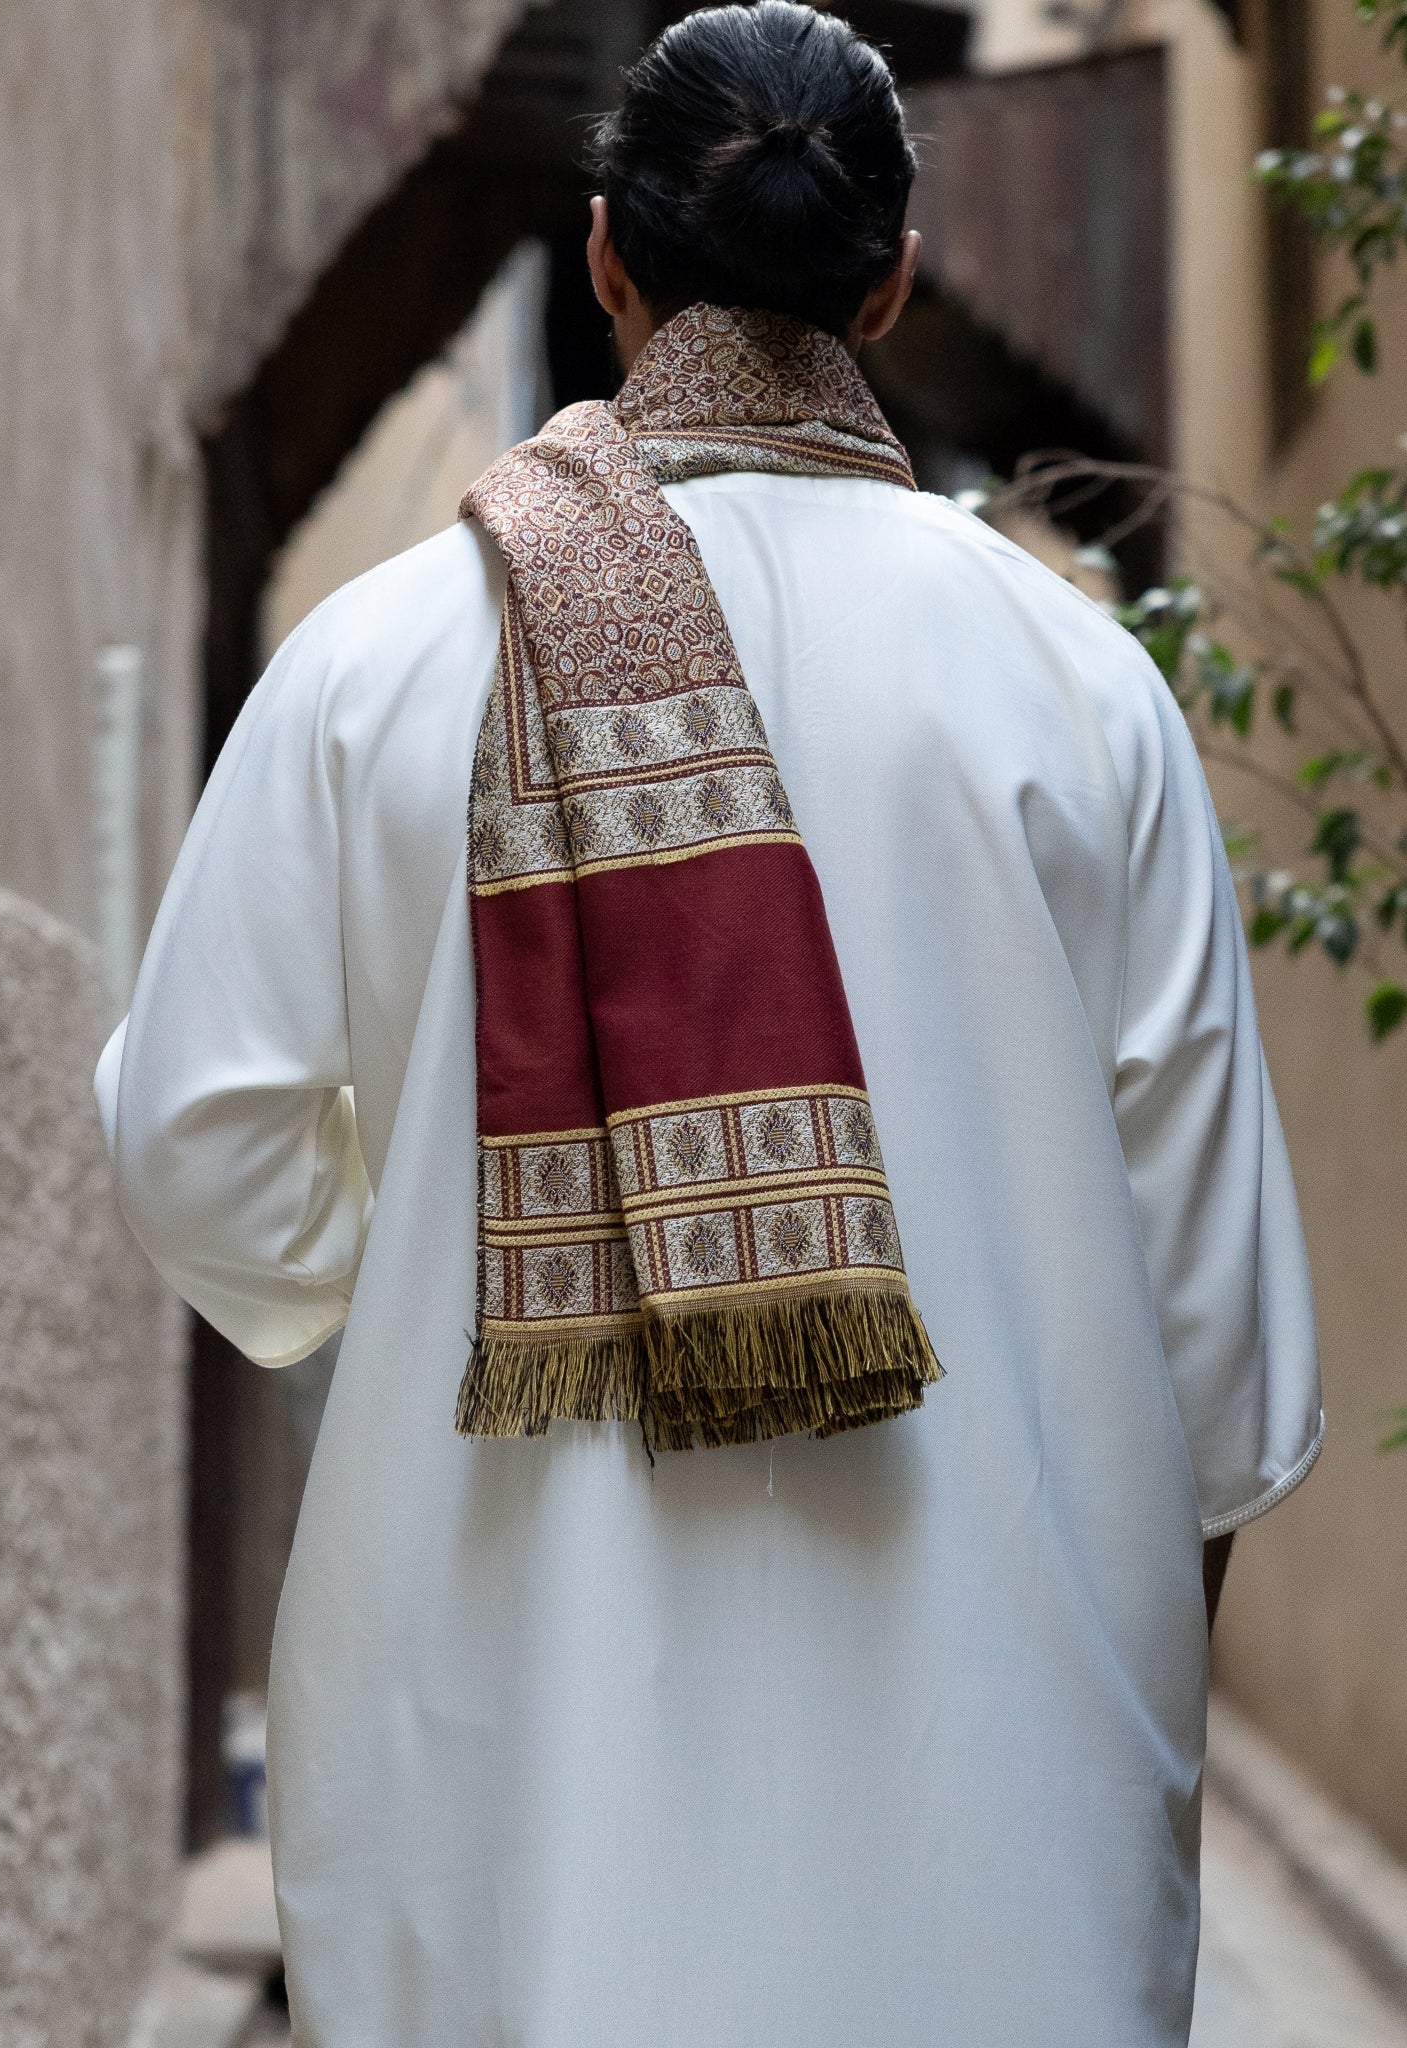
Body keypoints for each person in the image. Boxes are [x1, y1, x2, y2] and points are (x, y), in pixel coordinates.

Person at [97, 4, 1322, 2042]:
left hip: (495, 1803)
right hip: (987, 1850)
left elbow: (195, 1148)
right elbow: (1215, 1351)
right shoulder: (1079, 687)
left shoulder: (381, 659)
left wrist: (428, 1269)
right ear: (895, 273)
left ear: (603, 259)